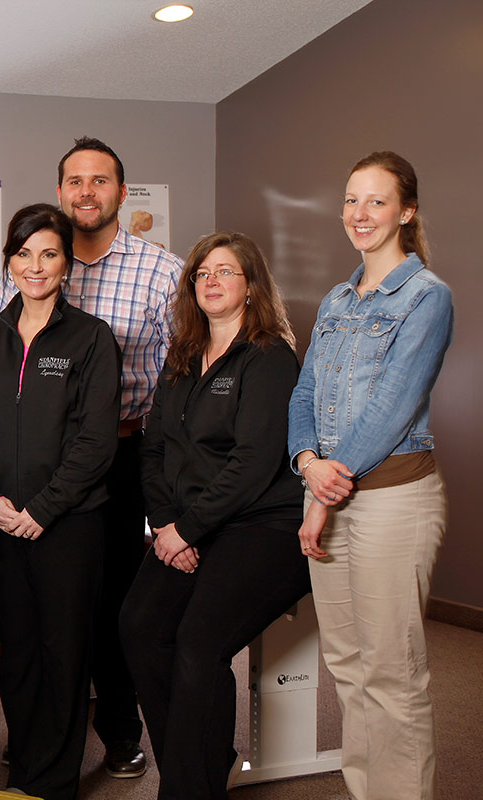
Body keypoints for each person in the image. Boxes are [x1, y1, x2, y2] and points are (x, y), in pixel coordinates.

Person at [121, 232, 311, 799]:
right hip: (185, 526)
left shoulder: (270, 357)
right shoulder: (181, 358)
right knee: (138, 628)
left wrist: (187, 529)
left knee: (198, 642)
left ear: (251, 286)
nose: (211, 281)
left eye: (226, 272)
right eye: (202, 273)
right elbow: (152, 448)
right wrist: (164, 525)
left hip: (264, 528)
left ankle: (186, 788)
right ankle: (204, 759)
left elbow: (254, 464)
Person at [288, 152, 452, 800]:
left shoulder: (425, 297)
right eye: (352, 200)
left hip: (394, 503)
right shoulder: (335, 299)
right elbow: (304, 393)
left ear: (406, 211)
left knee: (392, 674)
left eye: (376, 201)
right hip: (329, 494)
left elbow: (394, 405)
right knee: (350, 669)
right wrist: (307, 465)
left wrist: (324, 491)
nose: (360, 214)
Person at [0, 204, 120, 800]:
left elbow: (96, 440)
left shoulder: (91, 338)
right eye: (24, 253)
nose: (35, 266)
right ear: (9, 261)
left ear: (65, 264)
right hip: (1, 522)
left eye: (49, 253)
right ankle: (24, 757)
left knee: (64, 652)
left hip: (69, 525)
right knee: (17, 652)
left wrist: (43, 509)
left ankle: (53, 780)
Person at [56, 135, 184, 777]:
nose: (86, 192)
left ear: (121, 192)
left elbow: (185, 372)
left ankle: (120, 732)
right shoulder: (41, 261)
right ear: (60, 192)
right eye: (75, 181)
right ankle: (54, 732)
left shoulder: (162, 271)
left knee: (121, 601)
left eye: (99, 180)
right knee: (64, 597)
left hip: (132, 452)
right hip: (56, 465)